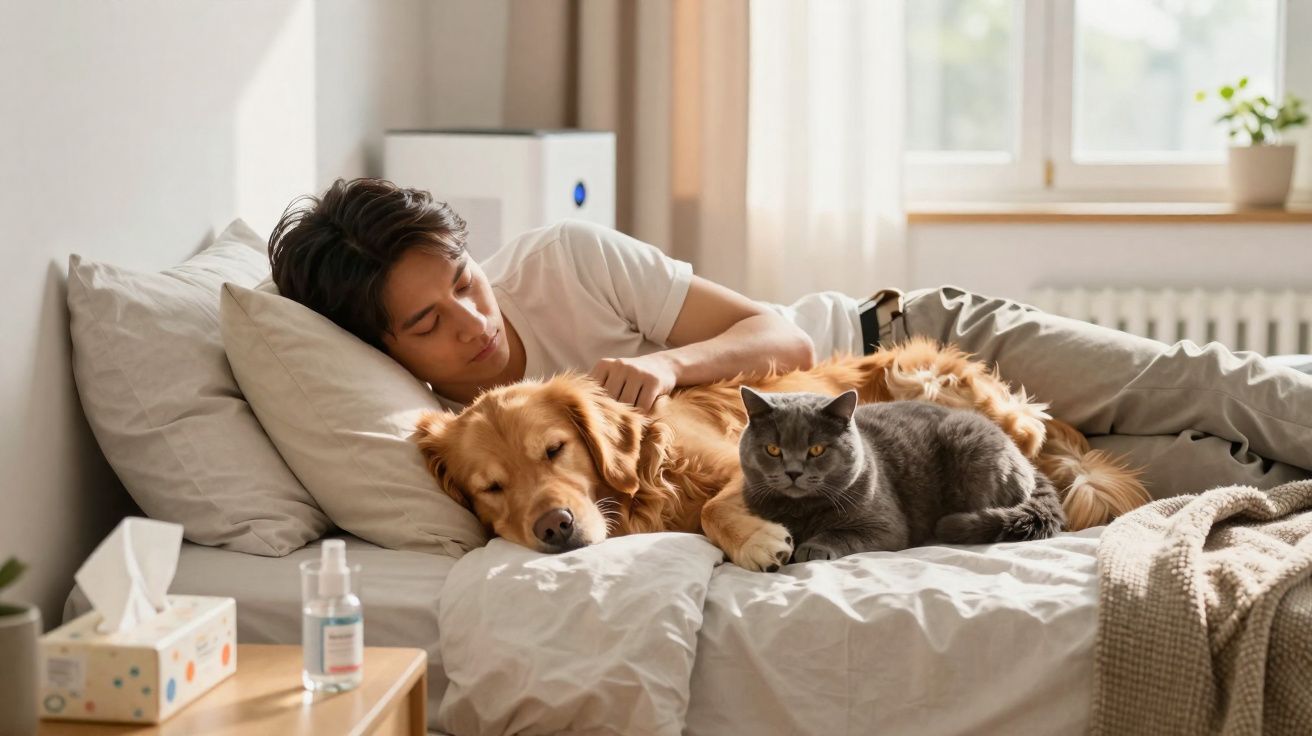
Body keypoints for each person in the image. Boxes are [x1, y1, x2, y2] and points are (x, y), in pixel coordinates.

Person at [269, 178, 1312, 501]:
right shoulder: (471, 438)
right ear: (385, 345)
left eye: (462, 280)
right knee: (1199, 474)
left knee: (1191, 382)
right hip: (894, 444)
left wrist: (669, 364)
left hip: (895, 341)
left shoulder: (561, 260)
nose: (475, 319)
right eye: (429, 323)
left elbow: (768, 334)